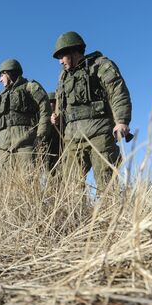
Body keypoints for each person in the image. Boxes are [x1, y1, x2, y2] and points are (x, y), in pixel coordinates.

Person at [51, 31, 132, 192]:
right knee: (70, 187)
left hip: (99, 133)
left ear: (74, 51)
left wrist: (121, 121)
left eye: (62, 56)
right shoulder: (63, 77)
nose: (60, 61)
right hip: (72, 138)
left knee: (106, 183)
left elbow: (118, 91)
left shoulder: (100, 65)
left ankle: (109, 216)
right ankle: (76, 217)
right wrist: (57, 116)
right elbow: (61, 102)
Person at [0, 59, 51, 170]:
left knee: (28, 181)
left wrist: (40, 135)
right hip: (4, 148)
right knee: (7, 185)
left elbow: (45, 108)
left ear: (9, 73)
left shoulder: (30, 86)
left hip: (25, 143)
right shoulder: (2, 95)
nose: (0, 80)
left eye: (2, 75)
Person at [46, 92, 63, 173]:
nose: (51, 104)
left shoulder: (62, 117)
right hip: (49, 153)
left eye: (53, 102)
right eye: (49, 102)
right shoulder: (43, 119)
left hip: (61, 152)